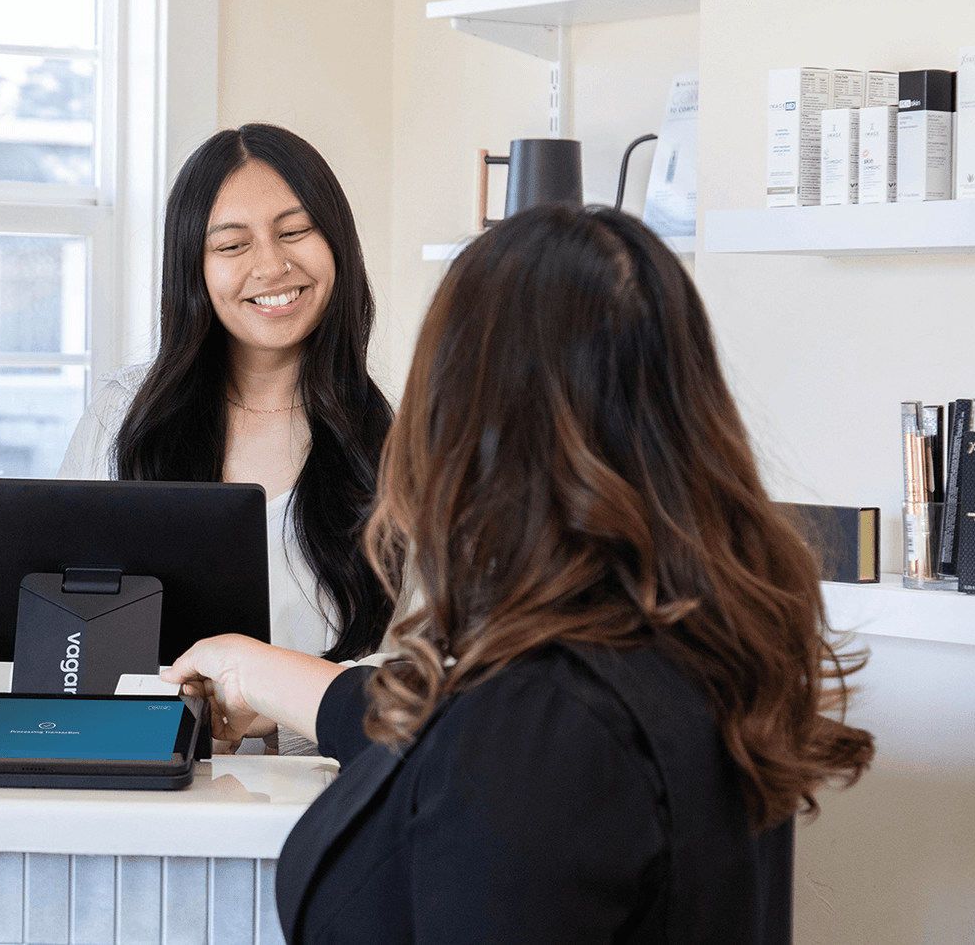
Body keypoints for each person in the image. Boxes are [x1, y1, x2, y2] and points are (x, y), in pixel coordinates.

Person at [163, 203, 876, 944]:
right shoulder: (694, 640)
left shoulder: (537, 725)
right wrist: (253, 671)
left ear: (467, 419)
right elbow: (431, 727)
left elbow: (486, 751)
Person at [59, 125, 398, 688]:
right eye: (232, 245)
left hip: (328, 772)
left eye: (295, 231)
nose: (271, 267)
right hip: (144, 763)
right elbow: (65, 623)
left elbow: (431, 666)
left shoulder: (407, 445)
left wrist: (272, 714)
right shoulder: (120, 415)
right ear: (194, 268)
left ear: (337, 242)